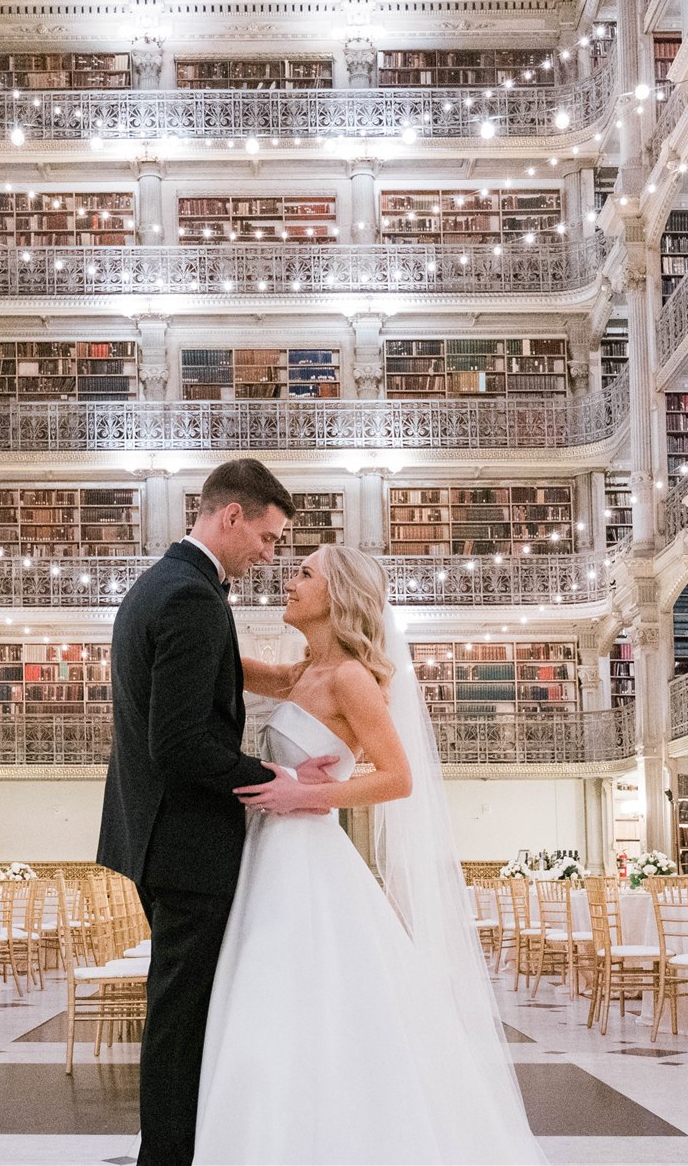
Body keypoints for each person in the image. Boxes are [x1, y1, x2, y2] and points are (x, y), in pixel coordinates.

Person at [196, 543, 543, 1164]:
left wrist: (314, 791)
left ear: (338, 595)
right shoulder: (301, 672)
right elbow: (225, 659)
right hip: (270, 849)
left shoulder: (352, 678)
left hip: (306, 851)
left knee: (306, 988)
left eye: (304, 574)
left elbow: (399, 777)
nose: (289, 580)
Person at [96, 458, 337, 1166]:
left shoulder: (162, 583)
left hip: (156, 835)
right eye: (268, 536)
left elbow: (197, 684)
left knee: (185, 1013)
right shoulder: (194, 599)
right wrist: (279, 775)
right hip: (188, 845)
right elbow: (178, 745)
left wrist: (285, 676)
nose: (271, 554)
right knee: (181, 1022)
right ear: (232, 515)